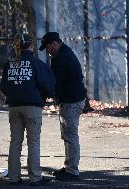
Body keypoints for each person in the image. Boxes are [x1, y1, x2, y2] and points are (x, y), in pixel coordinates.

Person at [0, 33, 55, 186]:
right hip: (32, 107)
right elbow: (48, 85)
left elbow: (4, 86)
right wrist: (43, 96)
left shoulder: (10, 63)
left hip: (14, 107)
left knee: (15, 142)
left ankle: (14, 177)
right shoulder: (36, 63)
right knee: (33, 142)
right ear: (31, 45)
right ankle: (35, 177)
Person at [39, 32, 87, 181]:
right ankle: (69, 167)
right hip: (72, 99)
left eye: (47, 47)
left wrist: (42, 96)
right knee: (68, 135)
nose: (47, 51)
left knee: (70, 135)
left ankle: (72, 171)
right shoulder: (65, 53)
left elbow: (55, 81)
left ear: (54, 43)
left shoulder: (62, 58)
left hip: (71, 101)